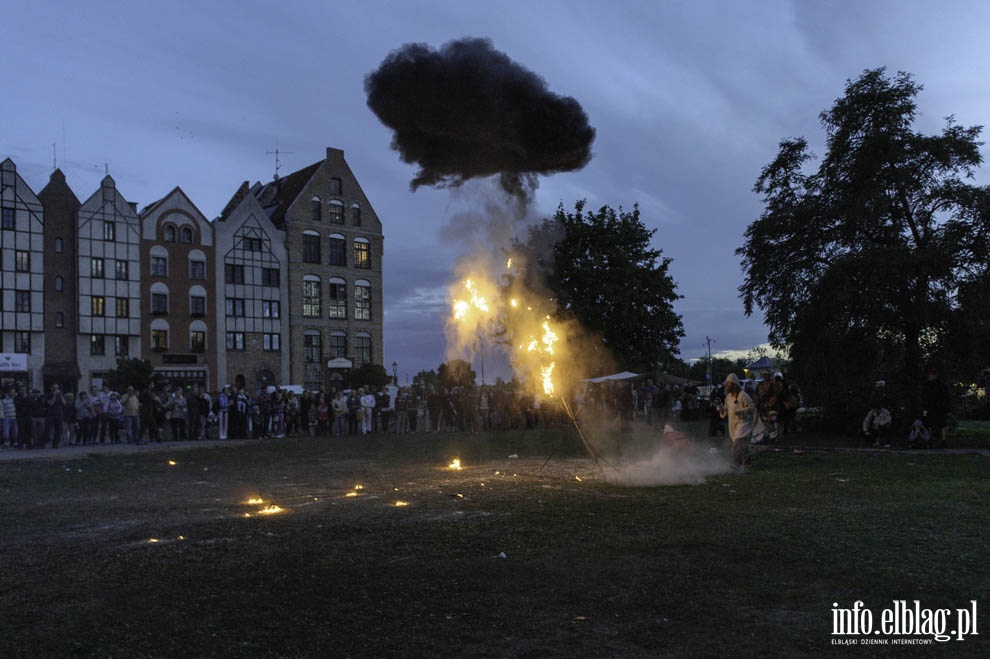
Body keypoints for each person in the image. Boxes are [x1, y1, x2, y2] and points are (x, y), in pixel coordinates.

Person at [718, 373, 755, 470]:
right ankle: (747, 464)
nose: (726, 386)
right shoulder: (728, 397)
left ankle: (736, 464)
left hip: (744, 422)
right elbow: (726, 410)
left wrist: (742, 411)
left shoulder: (743, 395)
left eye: (728, 384)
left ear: (734, 384)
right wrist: (721, 409)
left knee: (738, 443)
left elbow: (752, 407)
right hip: (733, 424)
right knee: (742, 444)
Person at [921, 364, 951, 448]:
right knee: (930, 423)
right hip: (932, 407)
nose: (929, 377)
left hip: (939, 407)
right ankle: (931, 439)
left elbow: (946, 397)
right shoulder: (927, 385)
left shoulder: (940, 385)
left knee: (941, 423)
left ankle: (942, 440)